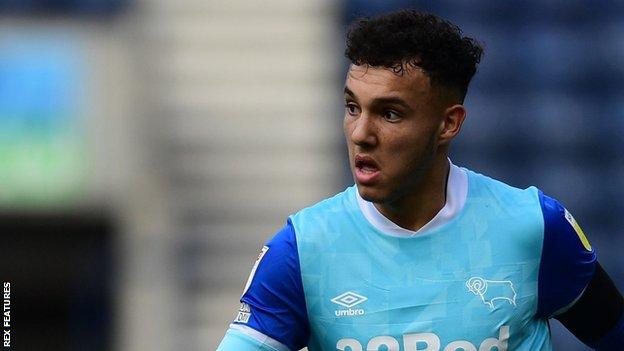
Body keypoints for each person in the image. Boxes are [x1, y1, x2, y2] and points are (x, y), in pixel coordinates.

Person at [217, 10, 624, 351]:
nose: (361, 133)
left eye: (390, 113)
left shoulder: (534, 228)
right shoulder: (304, 248)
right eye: (352, 107)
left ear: (449, 123)